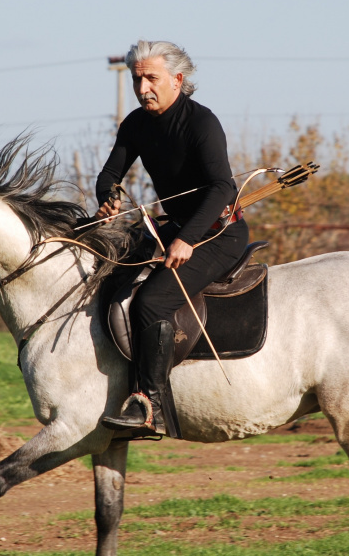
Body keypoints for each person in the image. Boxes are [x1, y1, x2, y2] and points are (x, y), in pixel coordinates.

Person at [97, 40, 249, 438]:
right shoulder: (135, 124)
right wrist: (107, 198)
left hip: (218, 235)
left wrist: (185, 240)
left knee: (152, 301)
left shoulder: (202, 123)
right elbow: (109, 174)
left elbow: (222, 188)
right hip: (175, 230)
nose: (143, 87)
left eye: (151, 78)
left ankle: (151, 410)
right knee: (110, 280)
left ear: (178, 80)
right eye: (137, 79)